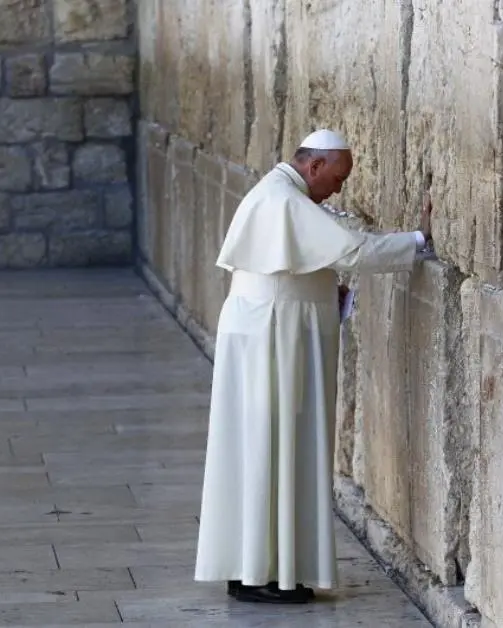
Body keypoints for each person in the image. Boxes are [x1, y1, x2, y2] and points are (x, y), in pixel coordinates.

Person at [194, 129, 434, 604]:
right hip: (274, 339)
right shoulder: (284, 200)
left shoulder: (280, 194)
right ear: (316, 165)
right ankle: (263, 575)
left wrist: (328, 289)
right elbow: (353, 250)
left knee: (265, 448)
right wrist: (419, 240)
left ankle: (257, 568)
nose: (338, 190)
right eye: (338, 178)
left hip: (272, 332)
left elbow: (304, 261)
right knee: (272, 447)